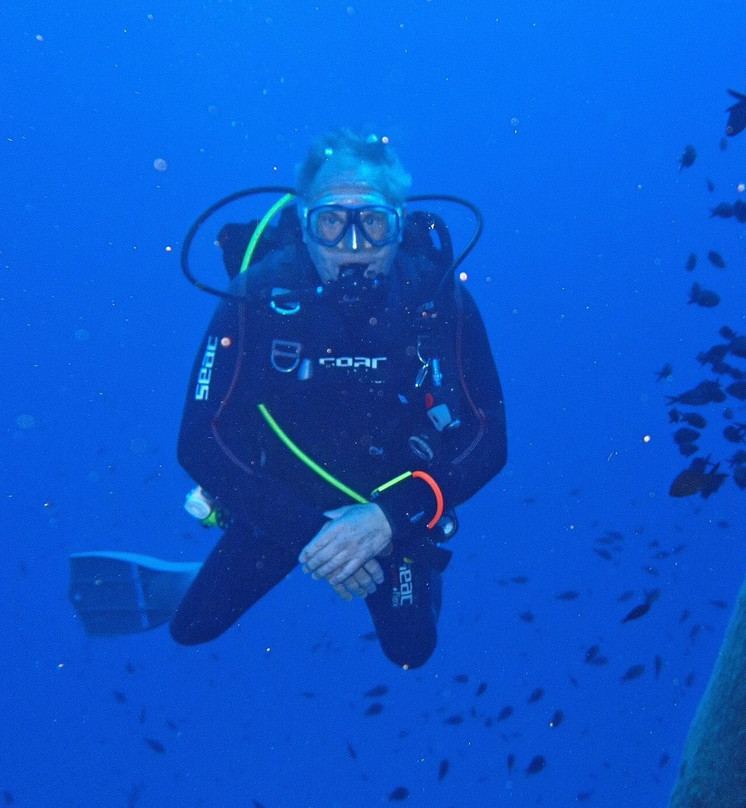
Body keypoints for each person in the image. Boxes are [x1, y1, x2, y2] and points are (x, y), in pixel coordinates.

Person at [70, 129, 506, 669]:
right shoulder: (257, 295)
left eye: (372, 221)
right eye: (331, 222)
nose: (354, 247)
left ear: (399, 226)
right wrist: (323, 542)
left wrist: (388, 520)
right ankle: (197, 580)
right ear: (304, 228)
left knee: (411, 649)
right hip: (285, 498)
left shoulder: (439, 300)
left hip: (395, 497)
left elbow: (491, 438)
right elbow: (197, 441)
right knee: (192, 630)